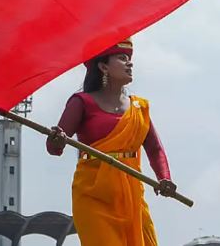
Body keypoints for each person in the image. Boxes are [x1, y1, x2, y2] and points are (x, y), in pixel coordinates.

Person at [46, 37, 176, 246]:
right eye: (122, 58)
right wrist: (57, 140)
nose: (130, 63)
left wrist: (164, 177)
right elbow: (53, 148)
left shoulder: (139, 108)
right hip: (93, 197)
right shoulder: (82, 102)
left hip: (132, 196)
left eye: (130, 59)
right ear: (103, 66)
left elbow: (154, 148)